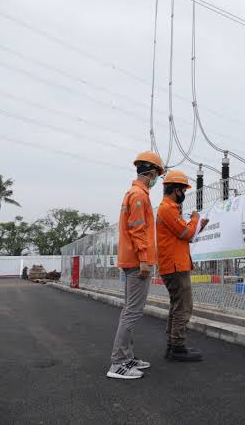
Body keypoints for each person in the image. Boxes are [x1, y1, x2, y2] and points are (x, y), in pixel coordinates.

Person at [106, 151, 164, 380]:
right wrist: (143, 259)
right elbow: (137, 230)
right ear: (151, 173)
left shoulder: (133, 193)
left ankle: (127, 356)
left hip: (130, 259)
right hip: (137, 261)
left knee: (129, 309)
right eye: (157, 174)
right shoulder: (139, 195)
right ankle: (118, 362)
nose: (157, 178)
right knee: (132, 311)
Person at [156, 170, 208, 362]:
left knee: (177, 305)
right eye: (183, 190)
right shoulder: (168, 209)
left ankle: (173, 345)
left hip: (174, 264)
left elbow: (184, 235)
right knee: (184, 306)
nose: (184, 194)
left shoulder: (168, 209)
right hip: (175, 266)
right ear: (177, 190)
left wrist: (198, 226)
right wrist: (195, 219)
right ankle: (177, 346)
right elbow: (186, 233)